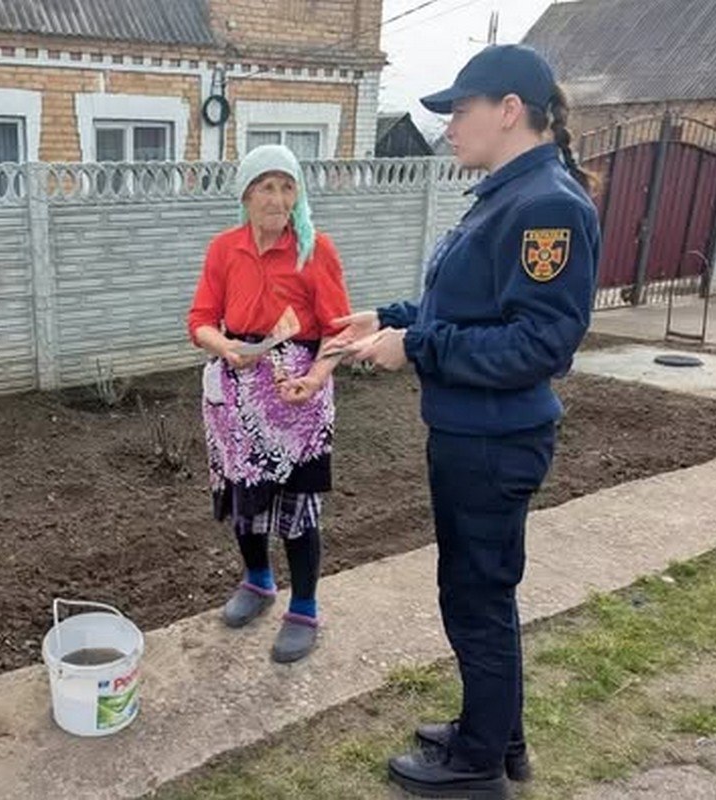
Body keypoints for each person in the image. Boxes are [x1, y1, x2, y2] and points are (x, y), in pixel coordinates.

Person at [327, 45, 601, 797]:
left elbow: (539, 342)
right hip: (475, 433)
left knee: (475, 597)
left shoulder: (545, 206)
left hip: (492, 440)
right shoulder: (509, 196)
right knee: (484, 592)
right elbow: (470, 312)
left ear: (509, 109)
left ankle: (479, 766)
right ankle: (496, 736)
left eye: (460, 110)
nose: (448, 126)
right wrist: (385, 318)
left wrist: (414, 345)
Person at [188, 144, 352, 664]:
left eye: (287, 186)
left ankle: (303, 607)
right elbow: (200, 319)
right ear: (246, 194)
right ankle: (257, 582)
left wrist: (318, 374)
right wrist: (225, 347)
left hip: (295, 394)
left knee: (298, 507)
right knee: (245, 499)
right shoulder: (224, 249)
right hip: (235, 394)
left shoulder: (314, 249)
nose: (278, 198)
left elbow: (338, 332)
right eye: (266, 186)